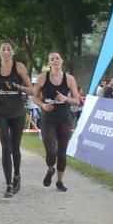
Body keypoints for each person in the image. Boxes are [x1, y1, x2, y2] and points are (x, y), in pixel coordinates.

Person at [0, 40, 34, 198]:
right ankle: (8, 185)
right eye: (3, 49)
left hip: (17, 111)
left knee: (15, 148)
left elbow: (32, 90)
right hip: (0, 111)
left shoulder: (19, 67)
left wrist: (18, 87)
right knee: (6, 147)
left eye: (8, 49)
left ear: (12, 52)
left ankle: (17, 175)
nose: (6, 52)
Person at [33, 51, 81, 192]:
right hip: (48, 117)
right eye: (52, 59)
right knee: (50, 150)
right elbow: (34, 97)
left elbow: (77, 100)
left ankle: (60, 181)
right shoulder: (43, 77)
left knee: (62, 152)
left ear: (61, 61)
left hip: (64, 117)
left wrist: (66, 99)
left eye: (57, 58)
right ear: (49, 63)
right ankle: (50, 169)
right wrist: (43, 105)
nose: (55, 61)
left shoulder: (69, 79)